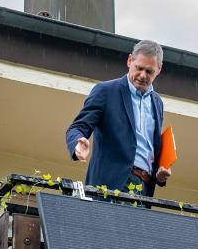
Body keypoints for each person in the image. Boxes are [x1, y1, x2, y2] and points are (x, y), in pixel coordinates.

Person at [65, 40, 172, 197]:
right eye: (139, 68)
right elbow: (77, 127)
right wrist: (77, 143)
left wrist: (159, 174)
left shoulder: (158, 103)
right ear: (130, 61)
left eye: (149, 71)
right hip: (109, 186)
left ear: (159, 70)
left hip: (144, 189)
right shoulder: (106, 91)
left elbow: (150, 149)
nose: (143, 75)